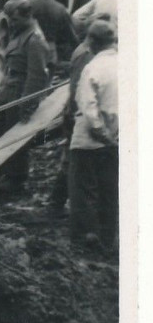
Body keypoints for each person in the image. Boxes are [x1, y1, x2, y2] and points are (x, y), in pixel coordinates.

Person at [49, 12, 112, 213]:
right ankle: (56, 203)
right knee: (72, 161)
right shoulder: (86, 55)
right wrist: (76, 115)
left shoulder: (84, 51)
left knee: (72, 160)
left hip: (77, 112)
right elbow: (79, 88)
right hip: (78, 114)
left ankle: (56, 203)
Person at [0, 0, 49, 188]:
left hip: (20, 91)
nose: (11, 24)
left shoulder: (34, 39)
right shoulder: (21, 32)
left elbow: (37, 76)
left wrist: (27, 104)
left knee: (14, 137)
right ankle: (2, 171)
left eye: (14, 19)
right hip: (9, 87)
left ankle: (16, 178)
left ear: (27, 15)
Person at [67, 20, 118, 251]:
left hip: (89, 140)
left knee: (83, 189)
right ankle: (108, 239)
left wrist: (100, 132)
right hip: (116, 139)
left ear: (94, 42)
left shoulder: (92, 68)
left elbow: (87, 106)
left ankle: (86, 238)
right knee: (109, 189)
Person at [31, 0, 77, 73]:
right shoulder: (60, 9)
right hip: (50, 50)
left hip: (32, 48)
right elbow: (71, 36)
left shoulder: (31, 4)